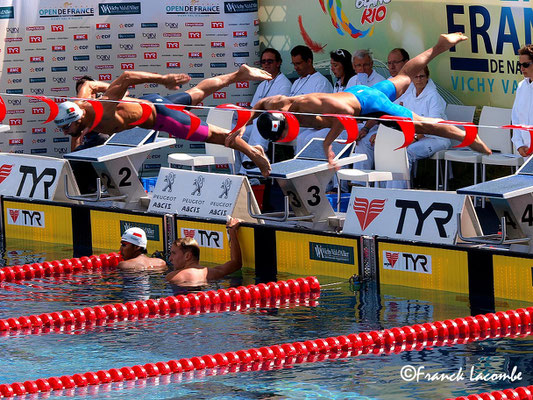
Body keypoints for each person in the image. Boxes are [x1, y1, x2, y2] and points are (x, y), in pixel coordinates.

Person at [235, 33, 491, 166]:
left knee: (422, 124)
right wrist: (240, 128)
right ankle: (440, 46)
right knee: (403, 76)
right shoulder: (286, 103)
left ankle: (465, 134)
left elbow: (340, 119)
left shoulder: (307, 113)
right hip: (362, 94)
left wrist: (327, 145)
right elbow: (259, 105)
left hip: (372, 106)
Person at [54, 65, 273, 177]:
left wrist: (163, 79)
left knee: (221, 137)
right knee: (197, 92)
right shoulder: (79, 100)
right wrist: (121, 95)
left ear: (77, 117)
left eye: (66, 127)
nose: (65, 132)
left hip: (163, 118)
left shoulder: (103, 108)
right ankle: (238, 74)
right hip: (153, 102)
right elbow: (91, 85)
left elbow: (127, 76)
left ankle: (255, 154)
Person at [386, 66, 450, 188]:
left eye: (422, 76)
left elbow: (432, 126)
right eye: (416, 77)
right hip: (418, 137)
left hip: (438, 138)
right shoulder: (410, 95)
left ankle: (401, 192)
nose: (419, 79)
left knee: (407, 151)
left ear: (427, 78)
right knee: (393, 149)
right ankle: (388, 191)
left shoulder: (434, 96)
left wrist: (414, 138)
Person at [238, 48, 292, 173]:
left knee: (259, 123)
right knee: (235, 133)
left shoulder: (284, 83)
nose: (266, 64)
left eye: (270, 61)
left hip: (276, 124)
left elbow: (280, 111)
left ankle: (250, 168)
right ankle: (237, 170)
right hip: (260, 122)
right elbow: (253, 109)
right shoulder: (262, 84)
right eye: (263, 62)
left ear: (278, 63)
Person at [166, 217, 242, 286]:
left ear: (187, 256)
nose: (170, 258)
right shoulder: (211, 273)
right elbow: (236, 263)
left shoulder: (173, 277)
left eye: (173, 253)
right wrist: (232, 232)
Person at [511, 44, 533, 158]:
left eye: (526, 65)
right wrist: (519, 145)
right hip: (526, 152)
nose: (522, 68)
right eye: (520, 65)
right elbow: (516, 119)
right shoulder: (521, 87)